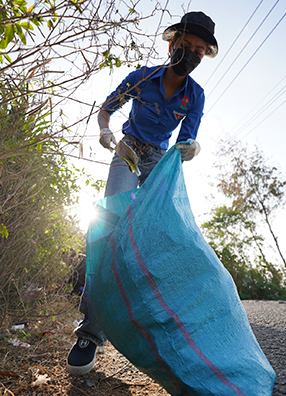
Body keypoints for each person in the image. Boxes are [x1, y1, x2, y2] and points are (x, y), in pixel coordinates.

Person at [66, 11, 219, 375]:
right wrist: (108, 135)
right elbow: (107, 109)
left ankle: (166, 332)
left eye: (199, 51)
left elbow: (187, 137)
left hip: (161, 163)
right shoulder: (143, 77)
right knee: (108, 231)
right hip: (129, 152)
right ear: (172, 45)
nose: (192, 55)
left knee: (160, 240)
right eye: (186, 46)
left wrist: (189, 148)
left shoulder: (194, 95)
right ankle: (89, 334)